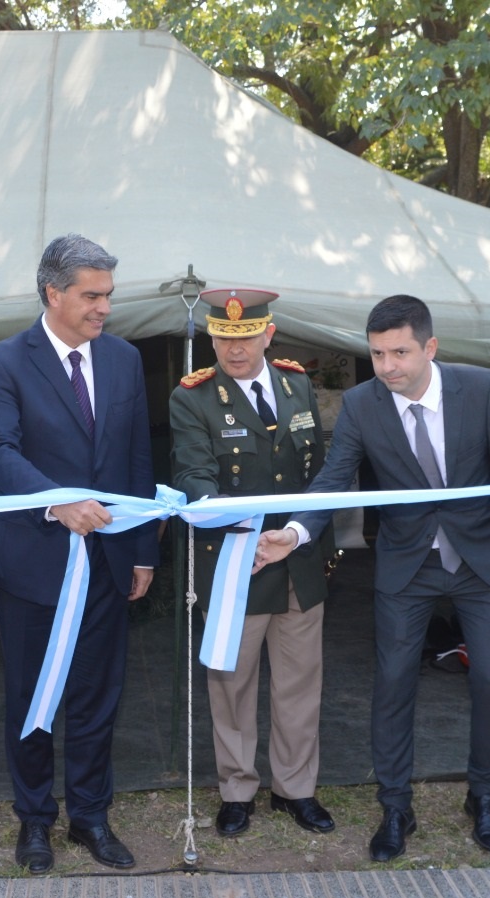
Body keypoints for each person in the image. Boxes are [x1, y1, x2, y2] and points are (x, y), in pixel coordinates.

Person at [254, 294, 490, 860]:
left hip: (482, 562)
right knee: (393, 682)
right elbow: (335, 476)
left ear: (430, 348)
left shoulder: (481, 388)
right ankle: (395, 806)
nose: (388, 366)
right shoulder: (364, 405)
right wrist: (293, 533)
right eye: (377, 354)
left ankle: (484, 797)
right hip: (407, 565)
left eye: (400, 352)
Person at [0, 234, 158, 873]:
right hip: (34, 565)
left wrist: (141, 550)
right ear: (52, 293)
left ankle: (91, 818)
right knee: (33, 697)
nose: (104, 307)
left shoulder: (124, 360)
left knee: (96, 695)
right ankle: (33, 822)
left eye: (108, 294)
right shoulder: (3, 362)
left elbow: (136, 456)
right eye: (91, 295)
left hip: (107, 563)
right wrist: (56, 502)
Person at [168, 288, 335, 838]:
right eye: (222, 338)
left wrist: (293, 535)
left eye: (243, 338)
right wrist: (242, 529)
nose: (232, 350)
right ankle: (237, 789)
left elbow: (318, 476)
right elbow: (194, 477)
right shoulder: (192, 398)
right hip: (236, 563)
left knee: (298, 683)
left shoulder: (298, 384)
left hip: (298, 560)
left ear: (268, 334)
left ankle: (295, 789)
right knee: (232, 684)